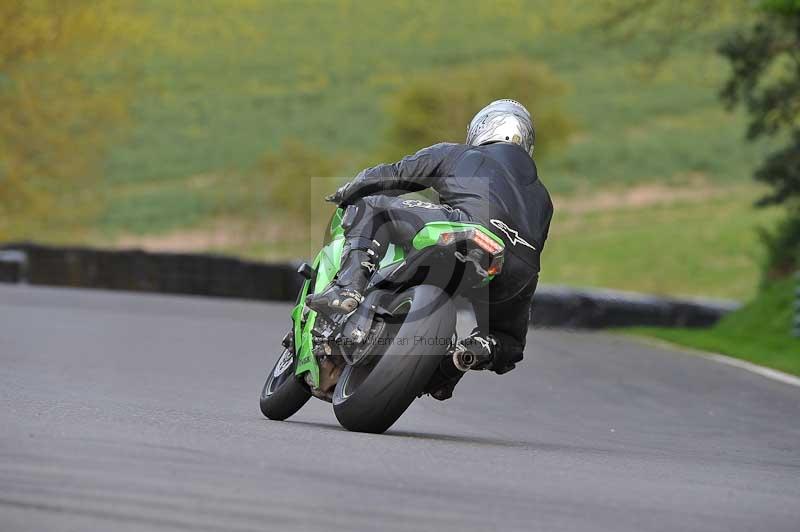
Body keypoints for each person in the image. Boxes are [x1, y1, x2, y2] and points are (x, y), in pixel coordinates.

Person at [306, 99, 554, 400]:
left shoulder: (459, 154)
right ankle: (460, 360)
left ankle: (347, 289)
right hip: (519, 268)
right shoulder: (543, 197)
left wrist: (349, 190)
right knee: (507, 343)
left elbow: (394, 174)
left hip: (466, 228)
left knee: (373, 208)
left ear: (482, 128)